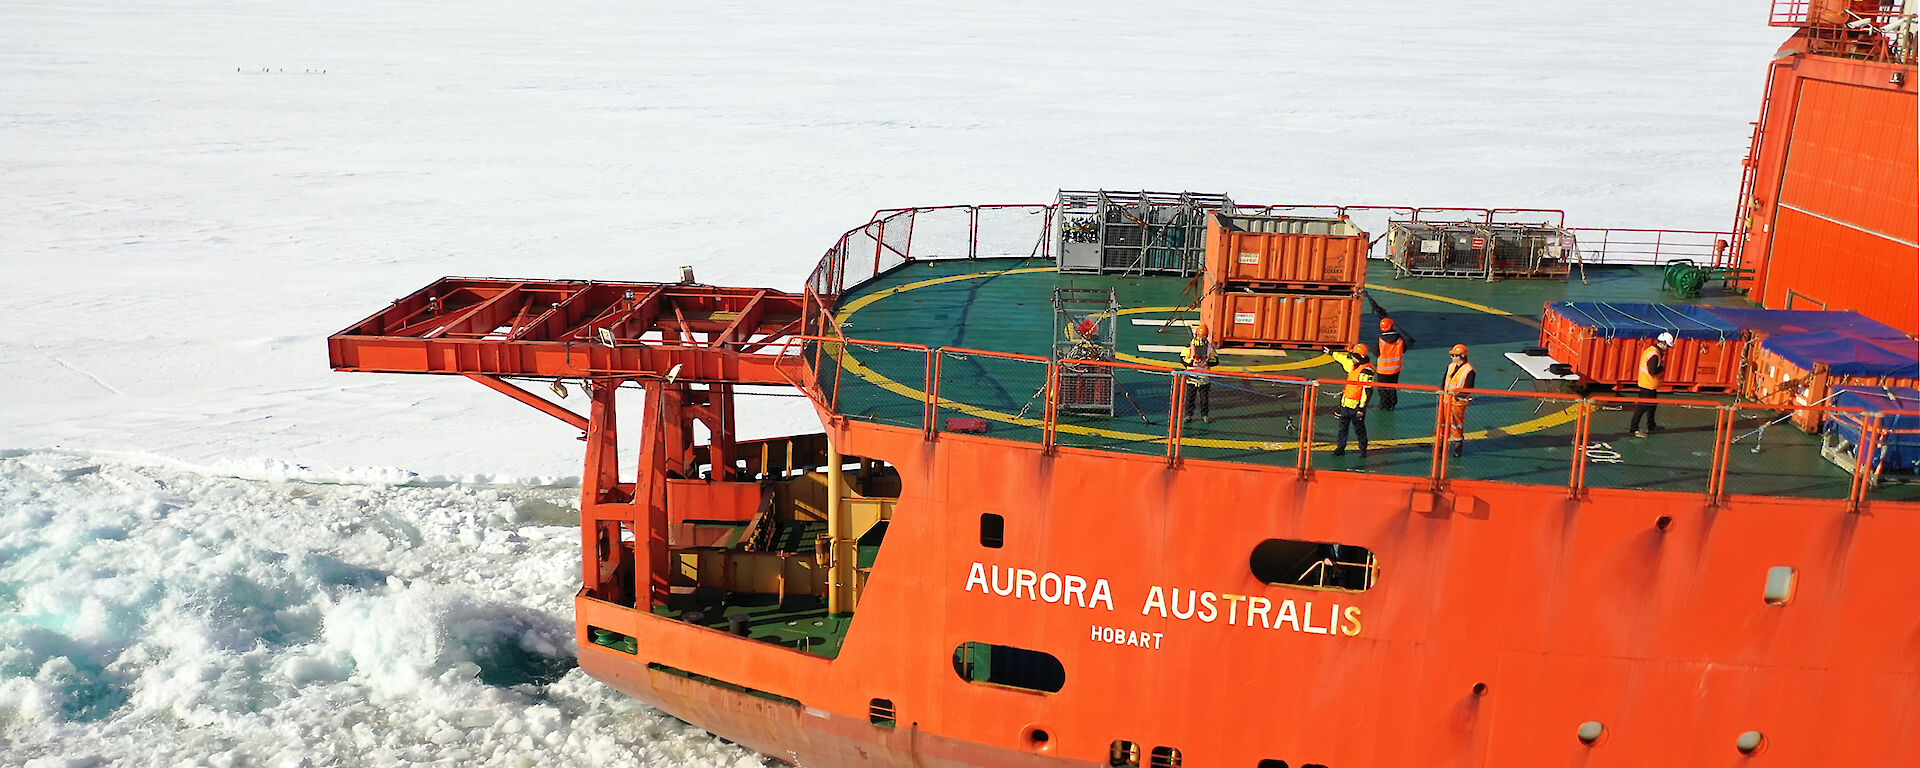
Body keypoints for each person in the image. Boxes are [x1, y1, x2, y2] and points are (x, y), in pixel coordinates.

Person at [1329, 343, 1375, 457]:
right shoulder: (1354, 365)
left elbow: (1367, 391)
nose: (1352, 358)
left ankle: (1363, 449)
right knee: (1343, 428)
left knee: (1359, 429)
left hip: (1356, 406)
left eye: (1354, 356)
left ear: (1360, 357)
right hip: (1346, 404)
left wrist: (1362, 408)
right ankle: (1340, 448)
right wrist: (1331, 353)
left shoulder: (1366, 371)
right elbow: (1343, 359)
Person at [1629, 332, 1673, 437]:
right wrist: (1662, 367)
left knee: (1652, 406)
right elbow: (1652, 370)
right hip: (1647, 385)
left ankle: (1651, 425)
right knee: (1642, 407)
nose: (1667, 348)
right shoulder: (1654, 354)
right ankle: (1634, 429)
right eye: (1667, 346)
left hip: (1649, 384)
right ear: (1662, 343)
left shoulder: (1651, 350)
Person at [1441, 344, 1476, 457]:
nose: (1452, 357)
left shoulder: (1469, 370)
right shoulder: (1451, 366)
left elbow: (1469, 388)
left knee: (1457, 425)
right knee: (1442, 423)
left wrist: (1458, 395)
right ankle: (1442, 444)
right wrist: (1442, 392)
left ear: (1461, 356)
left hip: (1457, 402)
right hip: (1446, 400)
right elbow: (1444, 381)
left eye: (1454, 355)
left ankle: (1458, 446)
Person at [1181, 324, 1218, 423]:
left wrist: (1207, 362)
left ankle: (1204, 415)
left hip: (1204, 379)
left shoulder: (1209, 347)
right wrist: (1191, 362)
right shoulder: (1189, 346)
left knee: (1204, 399)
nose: (1202, 338)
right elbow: (1182, 358)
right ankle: (1188, 415)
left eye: (1204, 336)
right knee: (1190, 398)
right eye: (1201, 336)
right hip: (1191, 377)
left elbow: (1216, 360)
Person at [1374, 318, 1407, 411]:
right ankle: (1392, 404)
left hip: (1383, 370)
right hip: (1395, 369)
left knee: (1382, 388)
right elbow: (1404, 349)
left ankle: (1383, 404)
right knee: (1393, 386)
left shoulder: (1380, 339)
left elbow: (1376, 353)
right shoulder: (1399, 338)